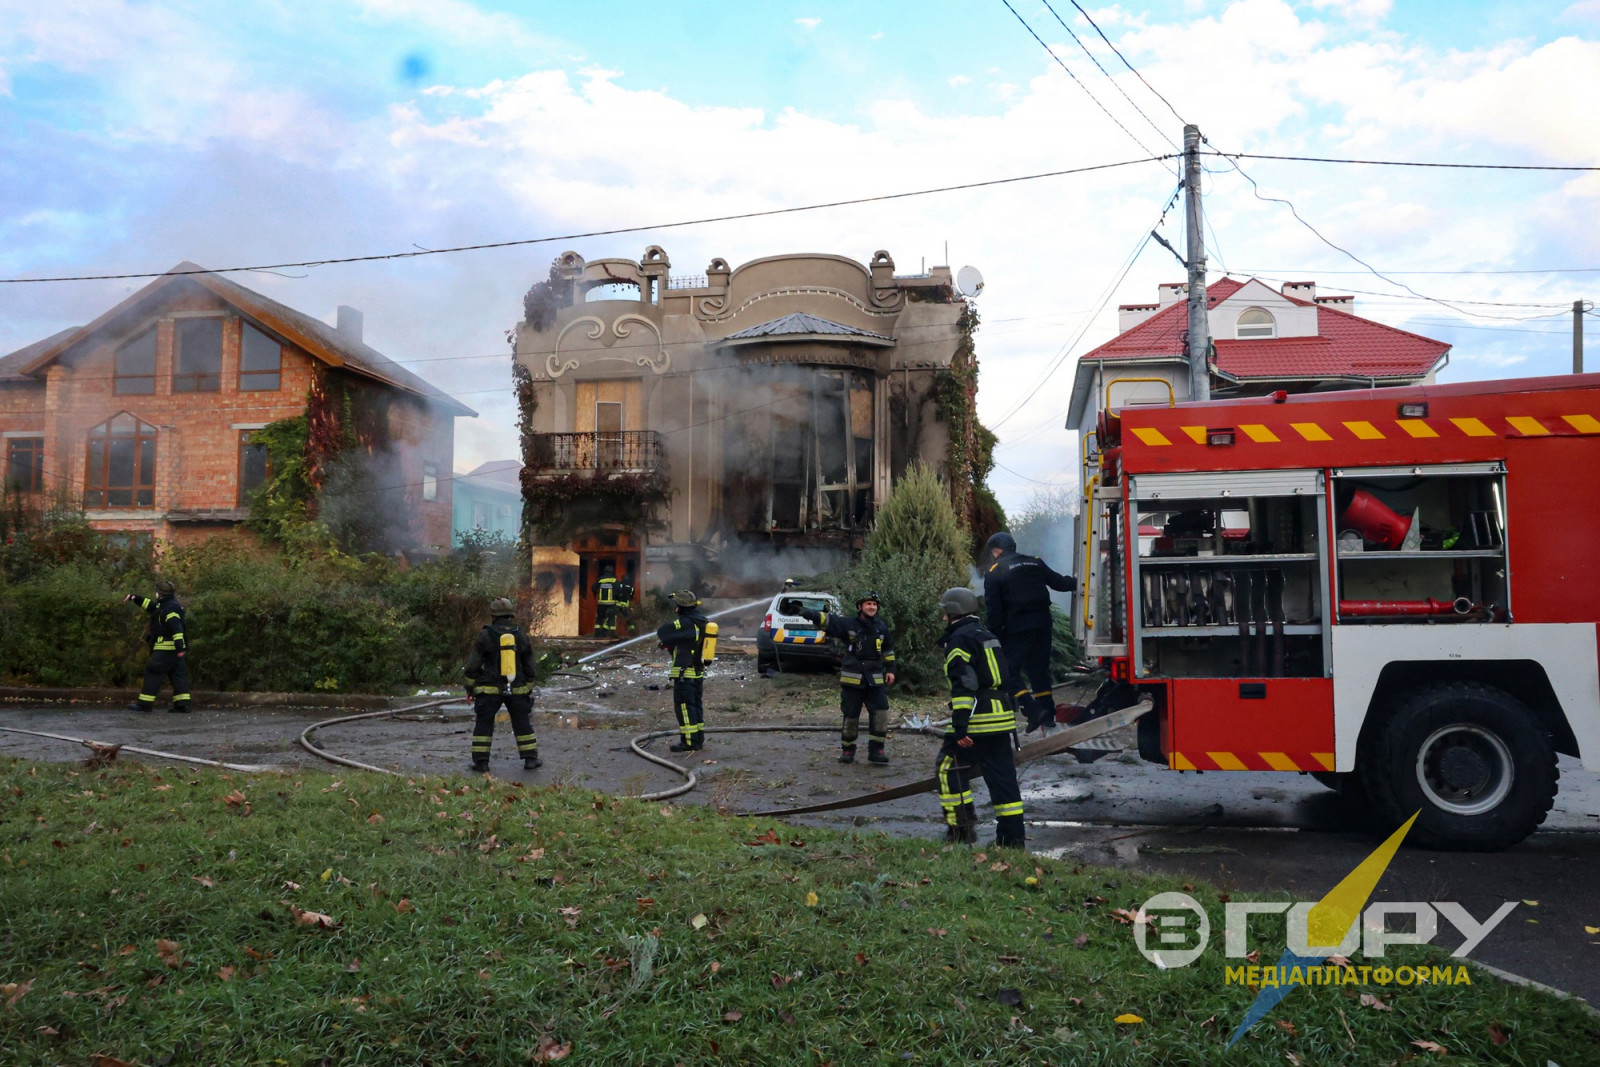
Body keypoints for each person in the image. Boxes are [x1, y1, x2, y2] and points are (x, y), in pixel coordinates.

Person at [936, 586, 1025, 848]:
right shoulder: (988, 635)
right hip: (1002, 721)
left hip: (978, 721)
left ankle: (961, 831)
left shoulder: (959, 640)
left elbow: (964, 686)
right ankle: (1013, 841)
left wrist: (961, 727)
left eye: (945, 613)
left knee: (948, 768)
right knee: (1003, 780)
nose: (943, 619)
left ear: (953, 612)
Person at [981, 530, 1077, 733]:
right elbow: (1060, 584)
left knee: (1005, 670)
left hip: (1018, 627)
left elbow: (994, 611)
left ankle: (1033, 710)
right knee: (1038, 670)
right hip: (1043, 624)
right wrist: (1079, 581)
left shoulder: (994, 572)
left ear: (996, 550)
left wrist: (995, 636)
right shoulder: (1035, 562)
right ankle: (1048, 716)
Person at [788, 591, 897, 764]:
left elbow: (888, 650)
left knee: (881, 715)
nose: (872, 607)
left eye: (874, 604)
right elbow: (826, 620)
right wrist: (804, 612)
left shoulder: (881, 627)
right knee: (851, 717)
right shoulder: (848, 624)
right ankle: (848, 751)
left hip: (875, 680)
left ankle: (877, 751)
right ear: (860, 607)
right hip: (852, 680)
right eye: (868, 604)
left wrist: (890, 669)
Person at [463, 597, 541, 773]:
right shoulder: (520, 635)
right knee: (522, 723)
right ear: (511, 615)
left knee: (484, 723)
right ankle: (530, 760)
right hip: (517, 687)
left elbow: (473, 665)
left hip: (489, 688)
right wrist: (528, 685)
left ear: (493, 615)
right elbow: (529, 665)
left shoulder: (485, 635)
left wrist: (470, 687)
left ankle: (481, 763)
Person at [124, 580, 190, 713]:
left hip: (165, 649)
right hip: (175, 651)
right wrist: (135, 598)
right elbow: (152, 607)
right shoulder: (168, 605)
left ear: (160, 594)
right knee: (178, 675)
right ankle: (182, 704)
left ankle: (144, 704)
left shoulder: (169, 609)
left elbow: (176, 628)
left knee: (153, 672)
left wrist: (180, 648)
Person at [657, 590, 710, 753]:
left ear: (681, 607)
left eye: (677, 606)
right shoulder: (701, 621)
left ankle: (688, 742)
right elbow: (687, 641)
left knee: (685, 708)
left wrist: (668, 639)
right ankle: (698, 739)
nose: (675, 609)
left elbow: (663, 631)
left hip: (684, 673)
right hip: (697, 672)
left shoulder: (685, 623)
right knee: (695, 706)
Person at [593, 571, 634, 641]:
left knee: (611, 617)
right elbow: (631, 597)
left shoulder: (619, 584)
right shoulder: (631, 588)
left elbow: (618, 592)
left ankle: (605, 631)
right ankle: (633, 633)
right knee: (628, 619)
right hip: (625, 606)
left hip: (617, 604)